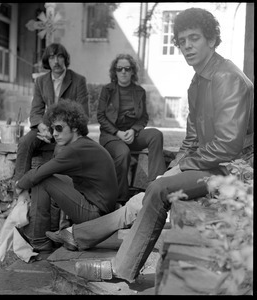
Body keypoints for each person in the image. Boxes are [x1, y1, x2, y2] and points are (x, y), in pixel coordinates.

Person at [64, 7, 254, 282]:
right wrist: (173, 168)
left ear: (212, 40)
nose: (186, 46)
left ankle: (121, 268)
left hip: (234, 170)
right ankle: (83, 238)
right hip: (213, 164)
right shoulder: (197, 82)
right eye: (181, 40)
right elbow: (191, 140)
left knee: (160, 189)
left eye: (194, 38)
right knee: (158, 184)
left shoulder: (227, 78)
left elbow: (228, 146)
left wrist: (180, 169)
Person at [14, 99, 118, 253]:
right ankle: (54, 232)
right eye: (52, 128)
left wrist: (19, 186)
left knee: (43, 179)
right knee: (47, 177)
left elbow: (41, 172)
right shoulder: (83, 145)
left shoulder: (75, 150)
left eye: (59, 128)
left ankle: (38, 240)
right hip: (98, 210)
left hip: (96, 216)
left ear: (75, 127)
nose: (54, 133)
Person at [13, 42, 89, 184]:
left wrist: (58, 129)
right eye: (52, 57)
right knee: (24, 142)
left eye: (60, 57)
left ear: (65, 59)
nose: (56, 61)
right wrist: (42, 126)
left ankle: (58, 195)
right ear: (47, 60)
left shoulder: (78, 81)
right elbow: (36, 111)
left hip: (67, 131)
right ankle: (20, 189)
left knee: (61, 152)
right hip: (46, 128)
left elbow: (83, 114)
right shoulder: (41, 81)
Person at [97, 54, 166, 203]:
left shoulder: (139, 91)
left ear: (132, 71)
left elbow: (143, 118)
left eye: (127, 69)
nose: (123, 72)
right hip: (112, 136)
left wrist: (134, 130)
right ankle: (120, 199)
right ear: (114, 72)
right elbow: (101, 117)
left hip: (132, 134)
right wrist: (118, 133)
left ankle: (156, 186)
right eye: (119, 69)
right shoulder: (107, 90)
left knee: (156, 135)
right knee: (123, 153)